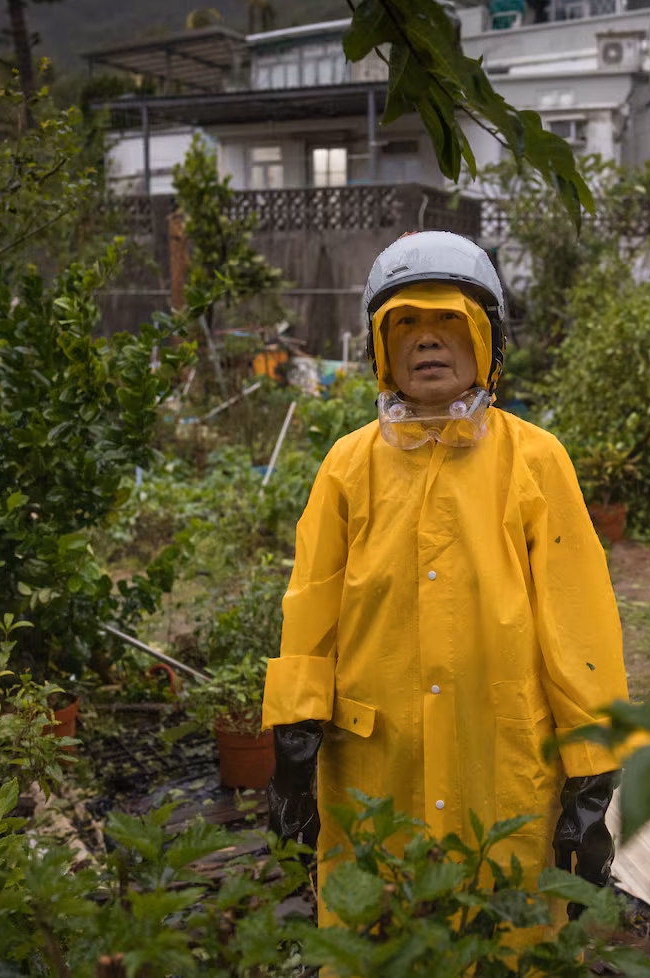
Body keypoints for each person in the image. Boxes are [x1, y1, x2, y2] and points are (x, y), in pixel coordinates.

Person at [261, 230, 629, 927]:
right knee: (380, 937)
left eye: (448, 322)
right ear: (380, 347)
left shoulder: (535, 461)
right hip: (375, 769)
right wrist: (291, 754)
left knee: (502, 940)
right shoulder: (347, 466)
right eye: (407, 324)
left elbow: (578, 624)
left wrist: (588, 780)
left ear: (485, 340)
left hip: (500, 766)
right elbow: (310, 611)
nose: (427, 340)